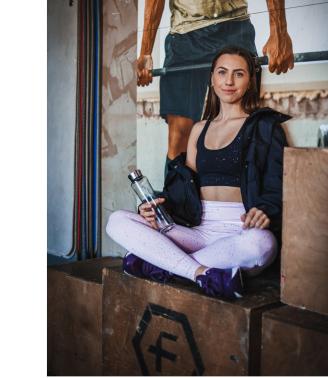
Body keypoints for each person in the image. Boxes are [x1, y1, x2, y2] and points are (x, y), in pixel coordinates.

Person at [106, 46, 291, 299]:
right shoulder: (199, 129)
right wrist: (156, 209)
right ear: (212, 79)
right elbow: (186, 191)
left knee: (262, 244)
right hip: (197, 232)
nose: (229, 81)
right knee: (118, 220)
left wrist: (266, 210)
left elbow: (280, 182)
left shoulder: (266, 126)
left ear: (250, 81)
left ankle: (163, 264)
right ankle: (200, 273)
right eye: (222, 72)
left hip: (240, 234)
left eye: (238, 74)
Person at [136, 0, 294, 176]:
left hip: (233, 25)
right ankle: (180, 201)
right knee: (179, 136)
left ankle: (244, 199)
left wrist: (279, 32)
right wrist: (146, 49)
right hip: (184, 35)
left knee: (242, 129)